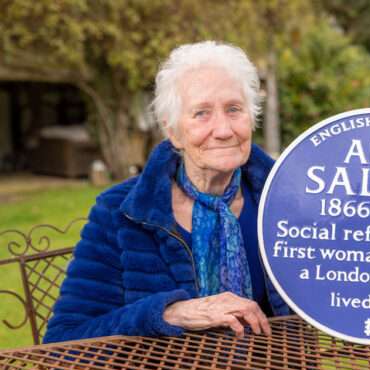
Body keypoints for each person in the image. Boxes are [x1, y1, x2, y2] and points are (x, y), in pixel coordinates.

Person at [44, 41, 290, 343]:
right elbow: (64, 339)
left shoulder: (290, 200)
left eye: (234, 109)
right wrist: (168, 314)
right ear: (173, 132)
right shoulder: (120, 211)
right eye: (201, 113)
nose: (224, 129)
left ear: (251, 119)